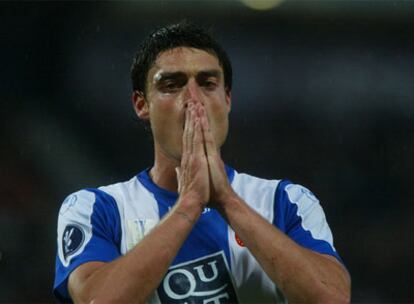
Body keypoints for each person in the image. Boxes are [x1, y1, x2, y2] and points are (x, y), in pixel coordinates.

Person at [54, 21, 351, 303]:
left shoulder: (286, 201)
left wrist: (228, 201)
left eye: (208, 83)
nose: (193, 100)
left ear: (228, 99)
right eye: (172, 84)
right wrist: (188, 205)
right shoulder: (95, 209)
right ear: (141, 104)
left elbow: (332, 298)